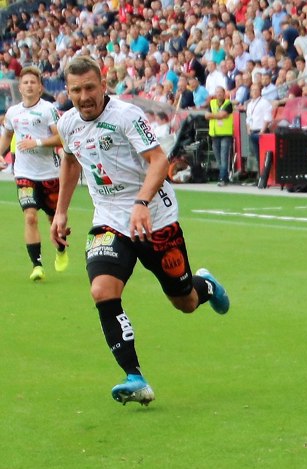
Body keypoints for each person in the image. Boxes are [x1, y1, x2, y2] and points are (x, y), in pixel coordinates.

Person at [50, 56, 230, 407]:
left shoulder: (126, 117)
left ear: (103, 86)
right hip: (109, 222)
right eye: (76, 90)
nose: (84, 96)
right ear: (67, 92)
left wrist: (141, 203)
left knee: (185, 302)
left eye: (90, 87)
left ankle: (205, 285)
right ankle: (135, 377)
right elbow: (71, 161)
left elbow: (159, 161)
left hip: (155, 218)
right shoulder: (68, 122)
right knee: (102, 290)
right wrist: (60, 211)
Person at [0, 66, 68, 281]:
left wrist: (37, 142)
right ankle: (37, 265)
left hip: (49, 174)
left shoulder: (48, 110)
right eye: (25, 82)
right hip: (23, 174)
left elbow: (60, 139)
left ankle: (61, 250)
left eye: (33, 82)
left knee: (54, 221)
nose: (29, 85)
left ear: (40, 88)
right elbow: (7, 135)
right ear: (20, 88)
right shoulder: (12, 113)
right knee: (30, 217)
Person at [206, 86, 234, 187]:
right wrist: (217, 115)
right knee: (218, 158)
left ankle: (222, 178)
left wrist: (213, 115)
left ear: (224, 93)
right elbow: (206, 115)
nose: (219, 94)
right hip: (214, 134)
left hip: (225, 134)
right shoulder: (212, 103)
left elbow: (223, 115)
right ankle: (224, 176)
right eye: (217, 92)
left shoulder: (228, 104)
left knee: (224, 156)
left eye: (221, 92)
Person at [245, 83, 273, 182]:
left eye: (256, 89)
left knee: (264, 155)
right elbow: (248, 118)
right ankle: (260, 175)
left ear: (260, 91)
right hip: (252, 131)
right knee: (257, 156)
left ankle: (265, 177)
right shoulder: (249, 104)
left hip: (261, 132)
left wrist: (262, 130)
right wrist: (248, 129)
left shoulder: (264, 102)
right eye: (252, 90)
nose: (254, 91)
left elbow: (267, 117)